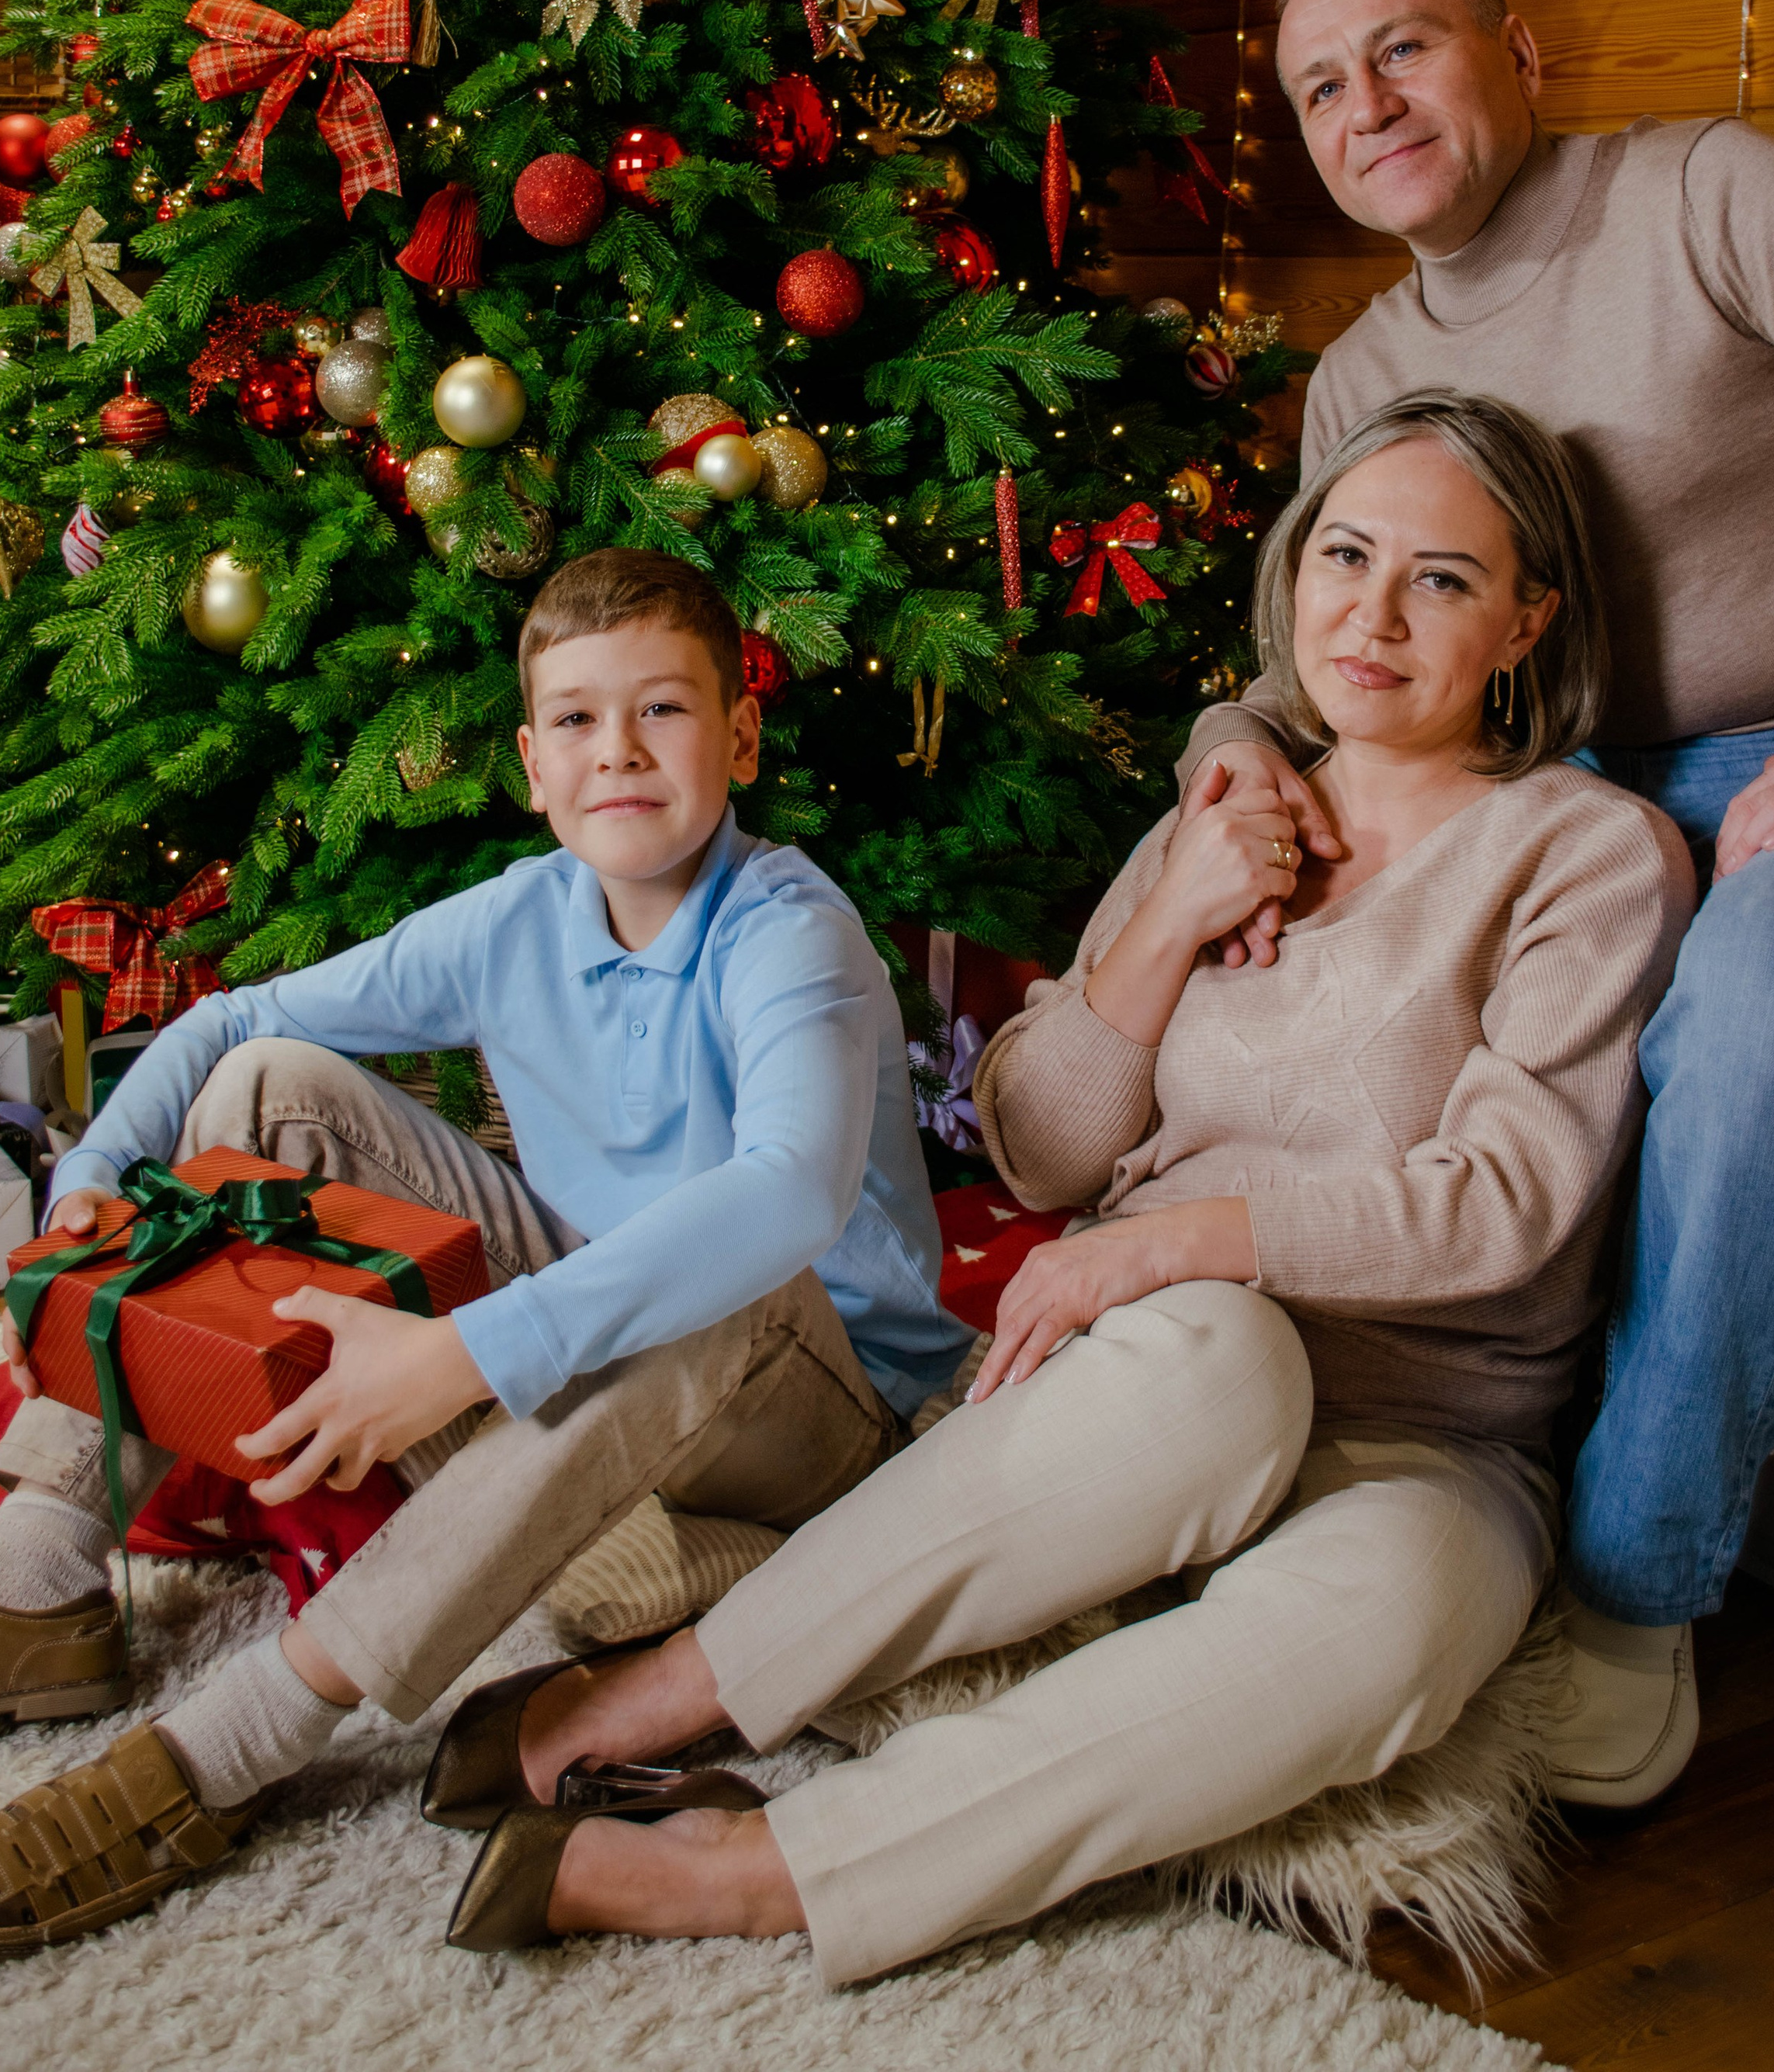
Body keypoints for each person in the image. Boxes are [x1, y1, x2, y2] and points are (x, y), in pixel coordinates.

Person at [422, 394, 1693, 1981]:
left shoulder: (1586, 857)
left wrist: (1166, 1242)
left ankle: (760, 1868)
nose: (1370, 616)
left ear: (1526, 621)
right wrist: (1173, 916)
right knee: (1224, 1356)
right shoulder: (1222, 812)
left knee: (1407, 1622)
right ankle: (655, 1698)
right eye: (1344, 557)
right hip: (1152, 1397)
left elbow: (1504, 1203)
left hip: (1430, 1436)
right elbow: (1032, 1147)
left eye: (1440, 580)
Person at [1178, 0, 1774, 1805]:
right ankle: (1338, 1467)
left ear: (1518, 52)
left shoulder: (1702, 198)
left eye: (1403, 50)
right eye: (1319, 87)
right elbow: (1324, 652)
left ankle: (1634, 1594)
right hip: (1559, 787)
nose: (1365, 106)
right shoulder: (1364, 371)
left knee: (1762, 1004)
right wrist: (1235, 747)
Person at [0, 547, 971, 1956]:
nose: (618, 752)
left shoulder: (791, 932)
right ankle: (41, 1566)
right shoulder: (520, 918)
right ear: (531, 763)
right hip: (603, 1338)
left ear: (742, 736)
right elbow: (227, 1021)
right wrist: (85, 1183)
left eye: (664, 710)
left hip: (821, 1408)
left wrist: (462, 1353)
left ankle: (228, 1749)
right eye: (576, 719)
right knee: (267, 1083)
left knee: (724, 1275)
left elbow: (787, 1199)